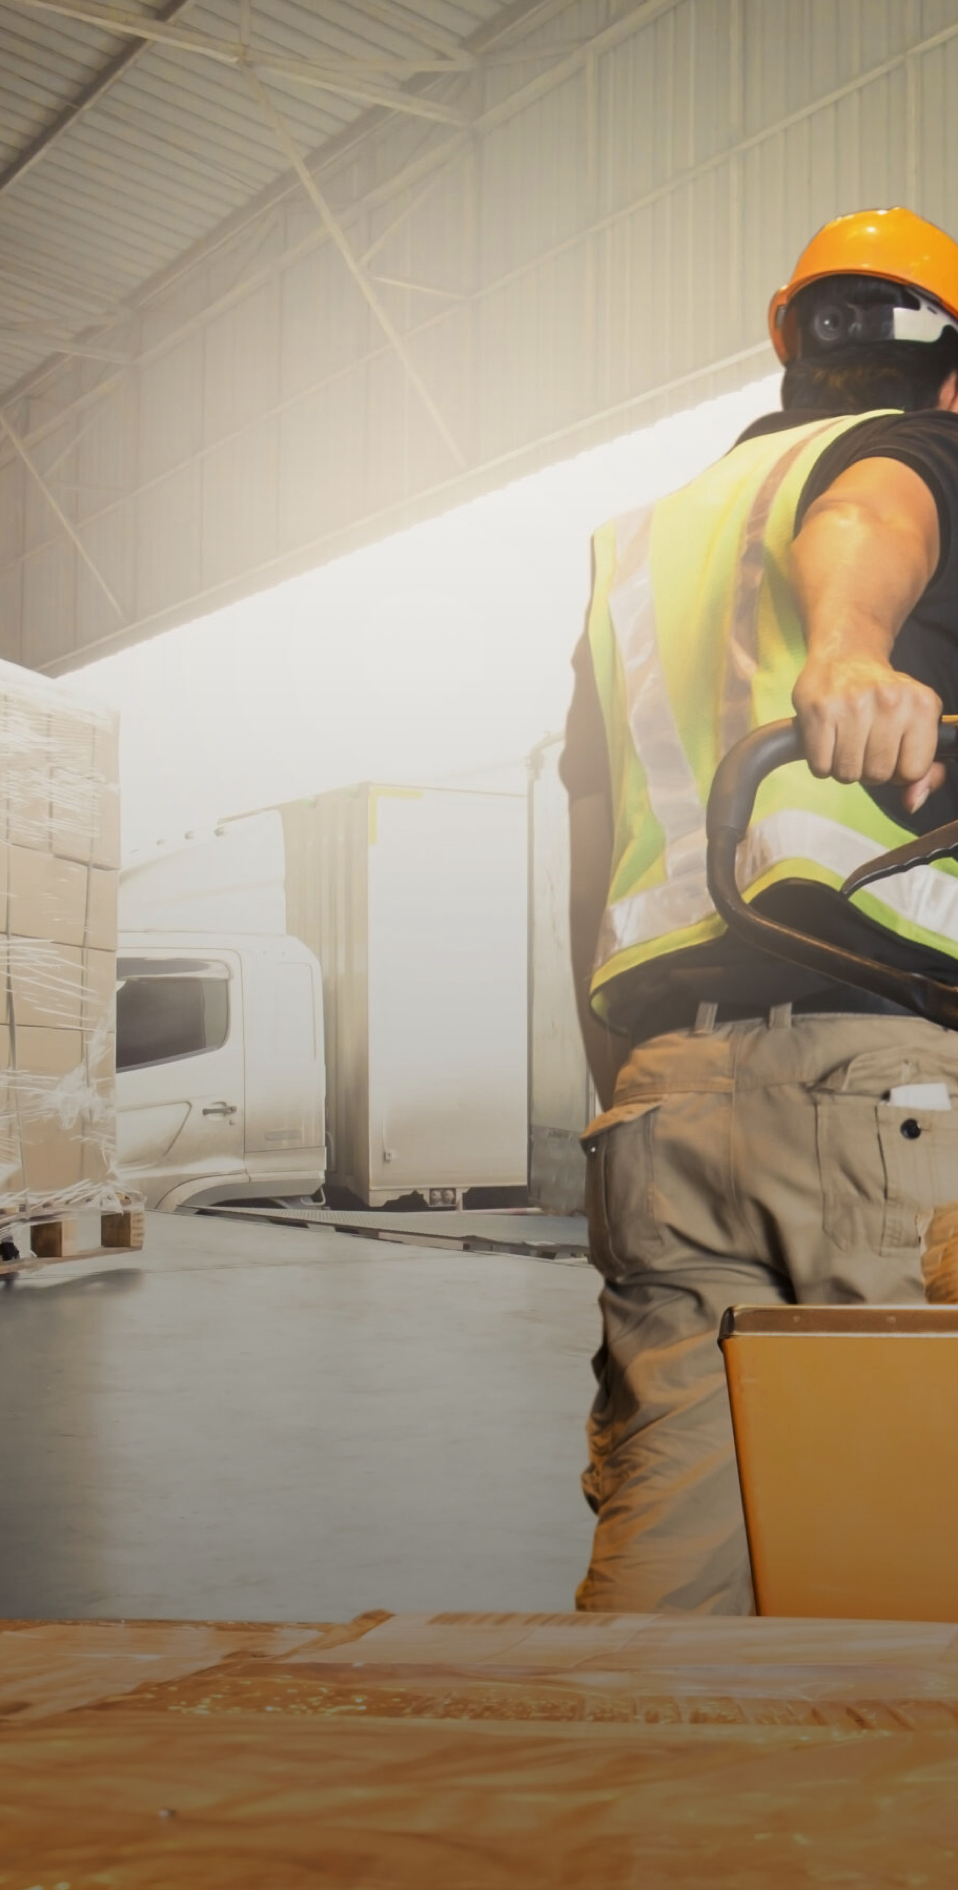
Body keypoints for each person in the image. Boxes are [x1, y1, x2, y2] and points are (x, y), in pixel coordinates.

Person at [562, 207, 958, 1615]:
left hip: (668, 1099)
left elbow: (591, 838)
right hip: (880, 1096)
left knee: (669, 1549)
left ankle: (632, 1824)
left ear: (784, 336)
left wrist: (618, 1083)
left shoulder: (644, 543)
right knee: (901, 1558)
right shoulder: (912, 461)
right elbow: (875, 517)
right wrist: (850, 648)